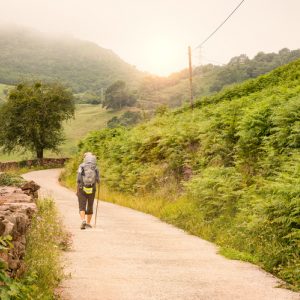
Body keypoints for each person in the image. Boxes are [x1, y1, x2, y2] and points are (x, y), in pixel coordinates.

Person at [77, 152, 100, 229]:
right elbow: (98, 180)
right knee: (90, 205)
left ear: (85, 158)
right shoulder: (95, 167)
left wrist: (77, 189)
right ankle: (88, 223)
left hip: (82, 188)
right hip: (92, 189)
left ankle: (83, 220)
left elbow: (78, 179)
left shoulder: (81, 166)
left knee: (82, 206)